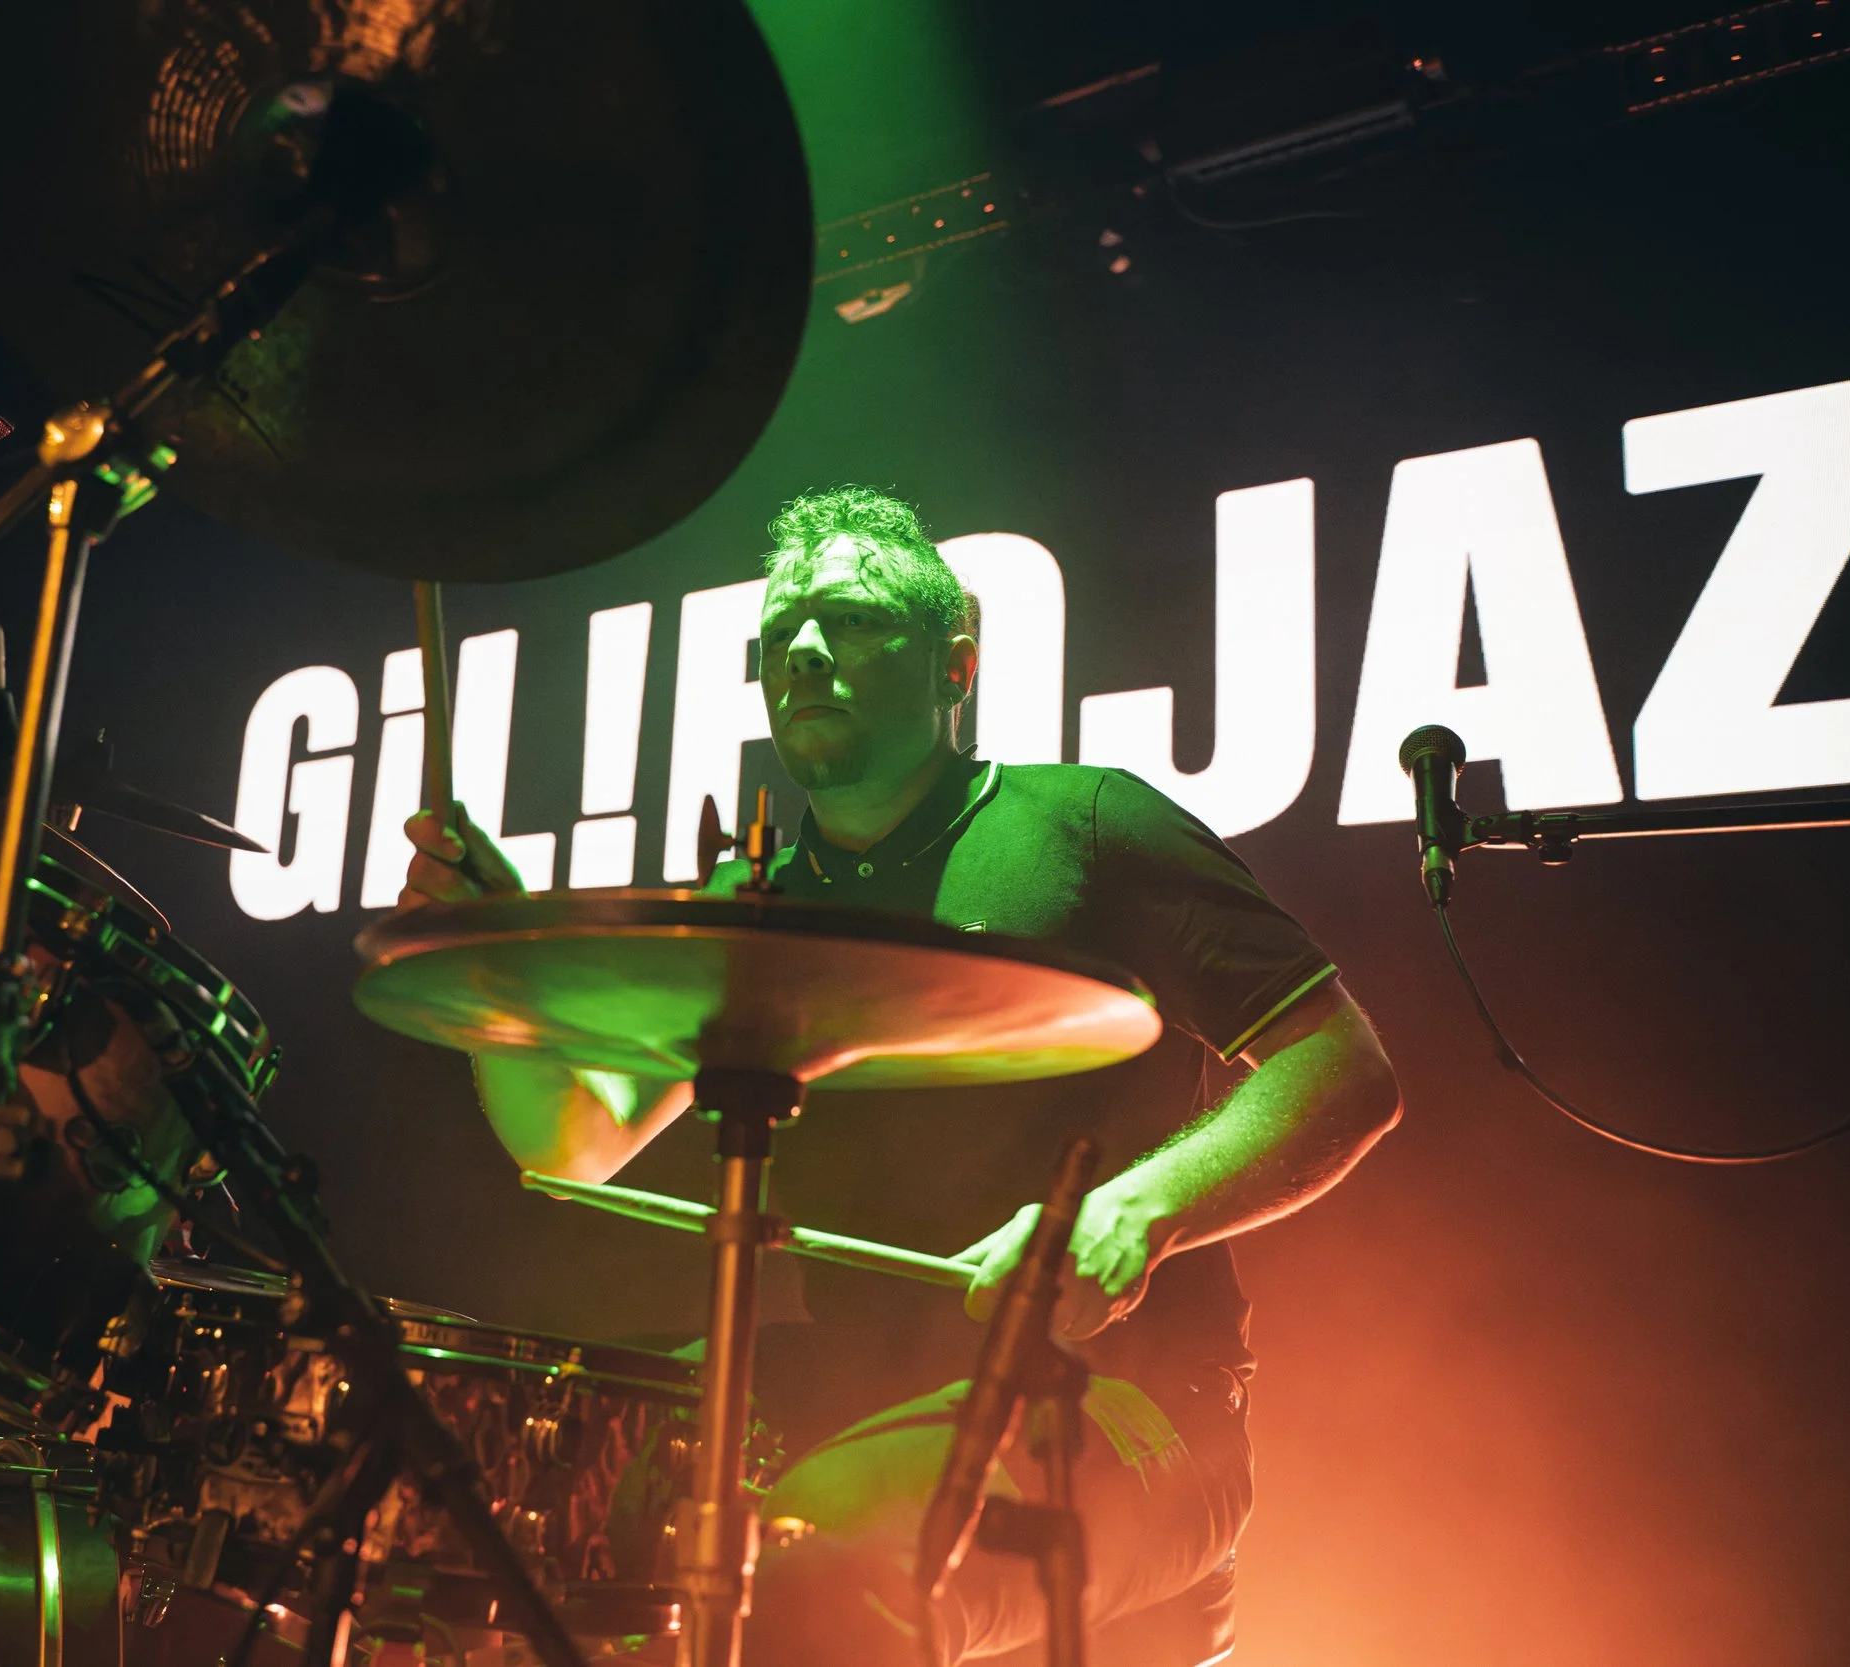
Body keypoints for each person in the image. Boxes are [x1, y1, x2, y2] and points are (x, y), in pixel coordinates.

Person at [396, 486, 1401, 1665]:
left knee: (812, 1571)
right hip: (859, 1383)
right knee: (510, 1498)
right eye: (781, 637)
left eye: (854, 620)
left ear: (955, 664)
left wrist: (1132, 1209)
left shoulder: (1087, 824)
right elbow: (571, 1142)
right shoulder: (754, 906)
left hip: (1130, 1399)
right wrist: (503, 983)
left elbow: (1347, 1065)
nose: (806, 652)